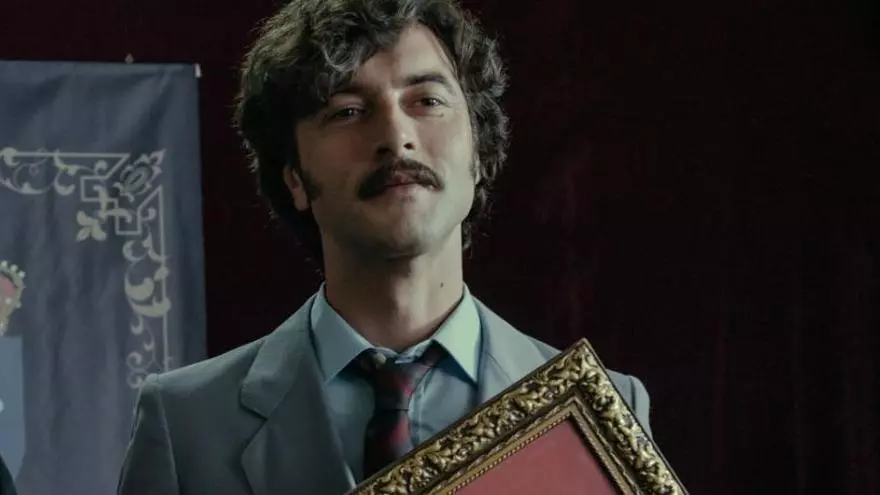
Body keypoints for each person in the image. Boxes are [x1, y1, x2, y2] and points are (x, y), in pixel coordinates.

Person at [117, 0, 652, 493]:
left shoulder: (598, 413)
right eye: (347, 111)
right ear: (294, 178)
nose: (396, 136)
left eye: (427, 101)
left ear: (478, 154)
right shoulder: (184, 425)